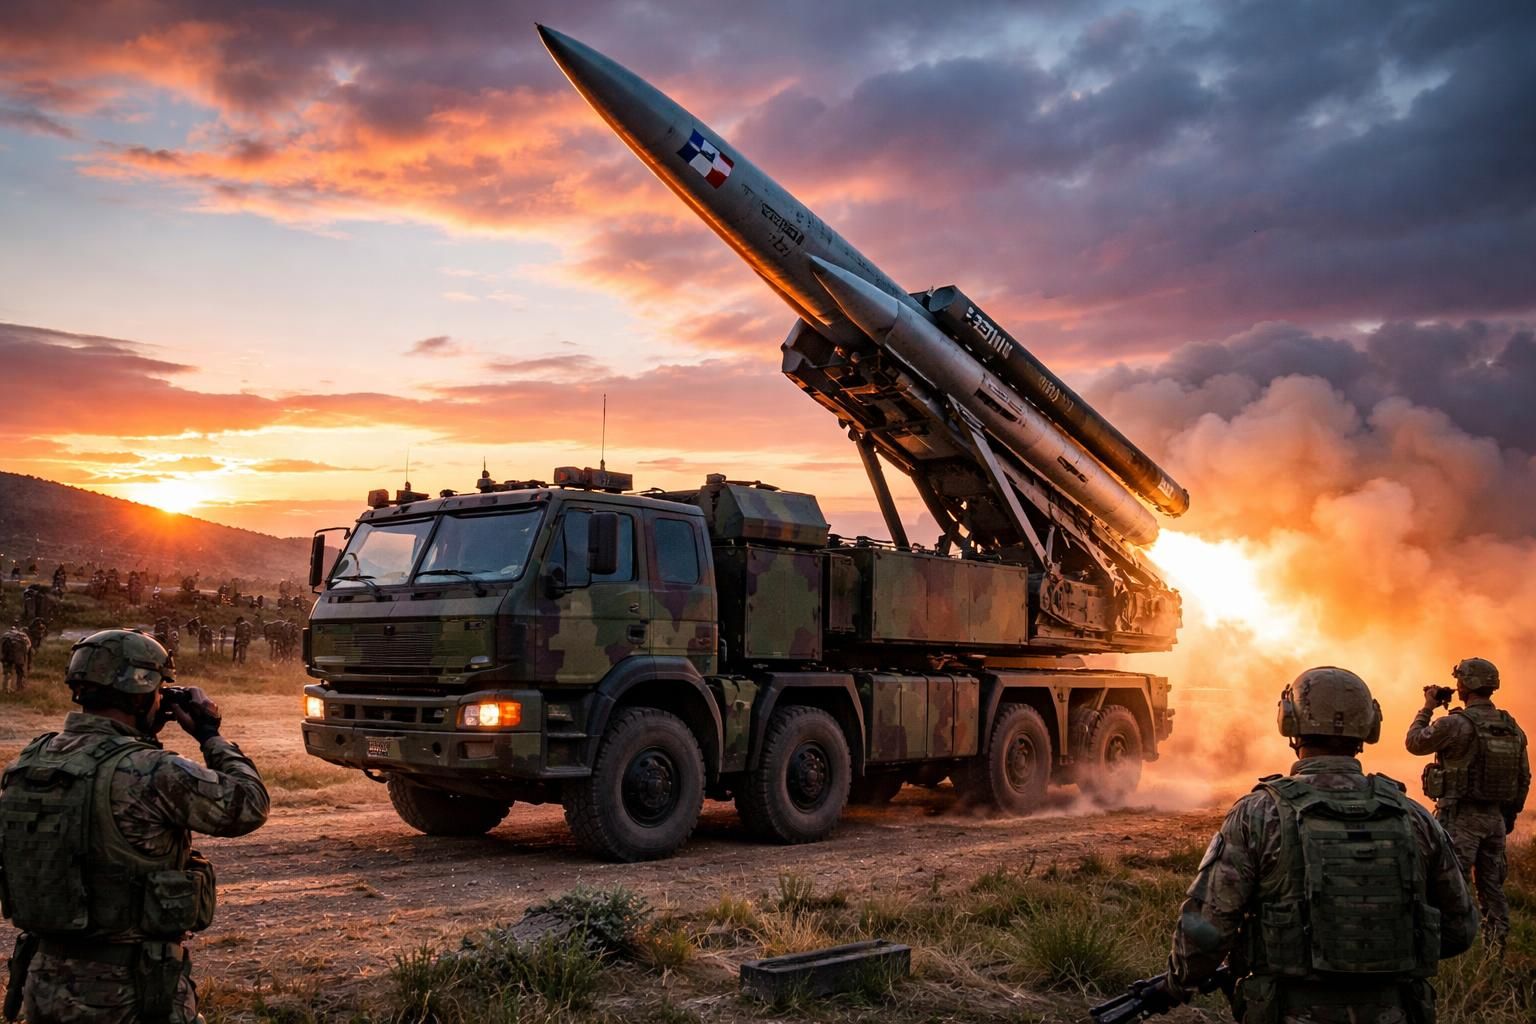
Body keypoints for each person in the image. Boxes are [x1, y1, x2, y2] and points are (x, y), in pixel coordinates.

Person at [1156, 667, 1477, 1024]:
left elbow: (1207, 929)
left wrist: (1178, 981)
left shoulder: (1258, 814)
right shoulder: (1414, 816)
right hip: (1395, 1010)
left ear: (1289, 721)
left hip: (1288, 1010)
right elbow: (1459, 929)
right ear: (1370, 727)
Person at [0, 629, 268, 1023]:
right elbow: (249, 804)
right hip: (129, 988)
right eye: (159, 691)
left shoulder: (31, 761)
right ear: (142, 693)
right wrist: (210, 734)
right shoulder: (152, 771)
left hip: (42, 981)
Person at [1405, 657, 1530, 950]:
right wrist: (1508, 816)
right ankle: (1496, 950)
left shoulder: (1455, 724)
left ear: (1468, 685)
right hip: (1495, 820)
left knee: (1449, 886)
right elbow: (1524, 777)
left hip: (1460, 818)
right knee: (1492, 888)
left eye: (1460, 680)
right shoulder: (1512, 727)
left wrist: (1427, 707)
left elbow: (1414, 743)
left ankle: (1451, 951)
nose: (1457, 684)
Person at [0, 624, 31, 692]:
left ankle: (6, 688)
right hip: (18, 655)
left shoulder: (5, 635)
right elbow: (28, 646)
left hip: (6, 655)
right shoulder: (22, 635)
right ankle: (19, 687)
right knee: (20, 672)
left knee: (7, 671)